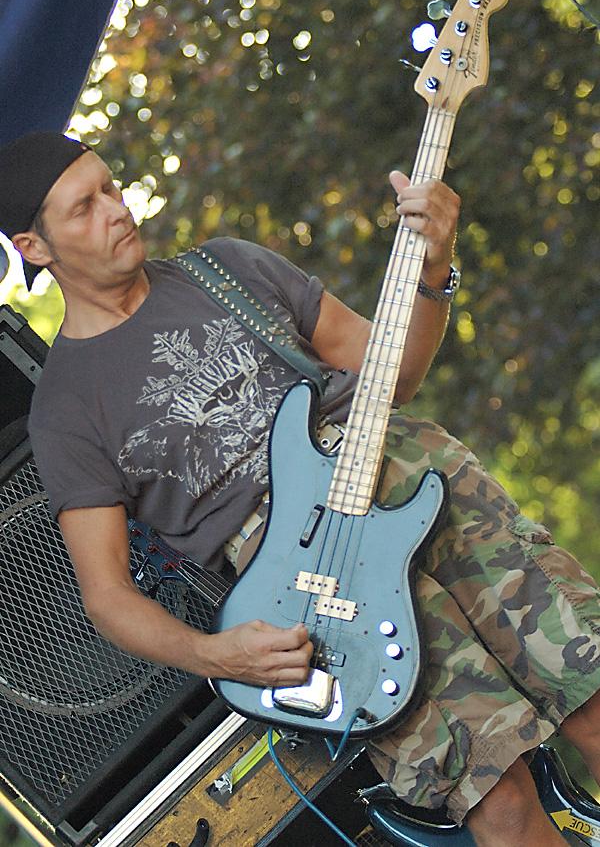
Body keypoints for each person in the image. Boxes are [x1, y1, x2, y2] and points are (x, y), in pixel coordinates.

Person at [2, 130, 600, 847]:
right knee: (496, 800)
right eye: (84, 207)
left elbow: (396, 373)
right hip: (328, 593)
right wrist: (215, 655)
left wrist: (434, 269)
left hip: (426, 490)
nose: (116, 209)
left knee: (592, 695)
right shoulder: (65, 408)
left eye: (109, 186)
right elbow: (106, 596)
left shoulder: (224, 268)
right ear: (34, 247)